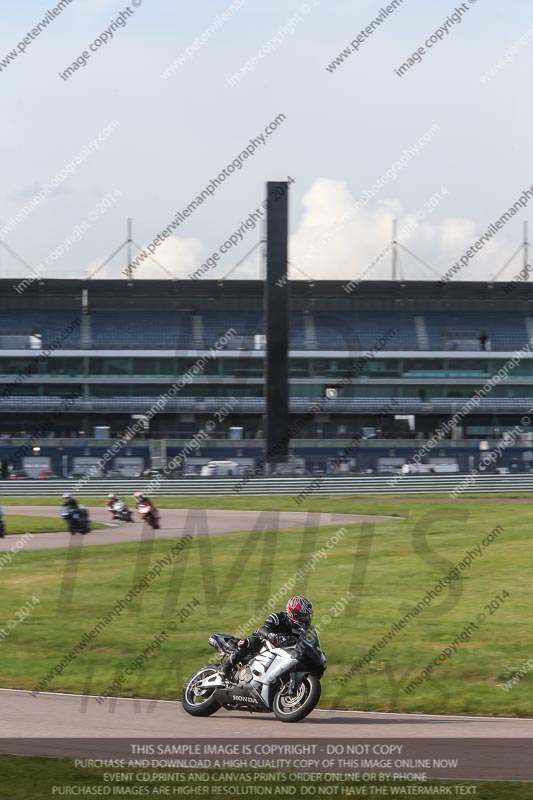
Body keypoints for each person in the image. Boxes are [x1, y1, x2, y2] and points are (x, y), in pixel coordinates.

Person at [219, 596, 314, 679]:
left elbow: (305, 643)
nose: (307, 619)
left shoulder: (300, 631)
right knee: (248, 643)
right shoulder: (277, 617)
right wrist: (273, 636)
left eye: (308, 616)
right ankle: (224, 668)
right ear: (294, 613)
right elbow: (263, 629)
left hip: (280, 652)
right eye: (304, 616)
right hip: (262, 641)